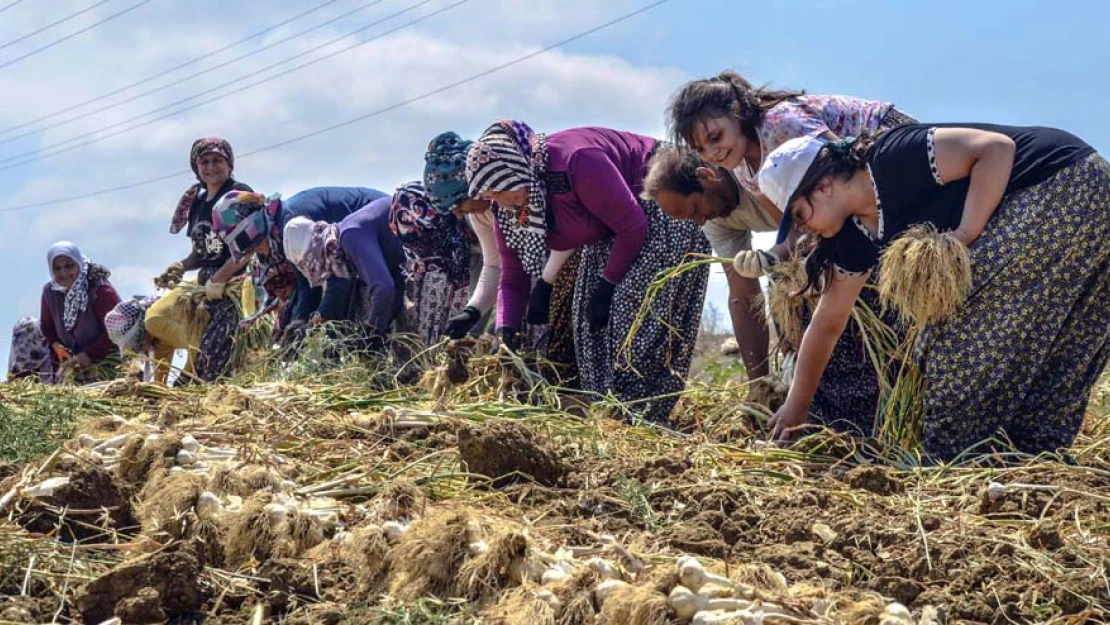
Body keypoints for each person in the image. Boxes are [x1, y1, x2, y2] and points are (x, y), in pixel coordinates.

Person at [757, 123, 1109, 462]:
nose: (802, 228)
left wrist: (965, 235)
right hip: (1085, 201)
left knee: (954, 332)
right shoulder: (854, 236)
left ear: (822, 187)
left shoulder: (892, 159)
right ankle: (1035, 453)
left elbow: (996, 149)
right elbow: (828, 324)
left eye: (800, 215)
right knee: (1068, 335)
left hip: (1065, 181)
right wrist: (797, 407)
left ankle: (953, 455)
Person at [662, 72, 917, 431]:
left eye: (715, 137)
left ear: (738, 113)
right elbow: (798, 222)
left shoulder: (779, 125)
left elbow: (843, 171)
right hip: (845, 198)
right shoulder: (745, 169)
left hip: (881, 153)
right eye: (703, 149)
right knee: (798, 286)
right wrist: (774, 257)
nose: (715, 152)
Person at [467, 120, 709, 422]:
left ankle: (640, 417)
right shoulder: (514, 206)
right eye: (491, 196)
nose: (499, 201)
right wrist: (506, 331)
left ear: (516, 171)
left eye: (500, 190)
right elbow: (512, 276)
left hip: (663, 200)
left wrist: (607, 288)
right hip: (611, 232)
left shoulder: (576, 161)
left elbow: (632, 226)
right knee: (588, 327)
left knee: (633, 318)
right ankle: (610, 414)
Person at [425, 131, 580, 382]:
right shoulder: (481, 215)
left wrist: (546, 283)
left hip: (563, 271)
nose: (457, 214)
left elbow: (569, 235)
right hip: (524, 283)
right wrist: (472, 311)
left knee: (560, 349)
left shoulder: (522, 193)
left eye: (457, 204)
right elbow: (495, 266)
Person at [641, 147, 778, 379]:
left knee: (789, 287)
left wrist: (775, 258)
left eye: (695, 208)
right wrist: (759, 384)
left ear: (706, 176)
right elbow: (743, 295)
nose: (701, 220)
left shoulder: (759, 167)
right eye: (691, 218)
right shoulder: (714, 221)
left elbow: (809, 232)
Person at [213, 186, 388, 343]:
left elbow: (339, 276)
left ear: (255, 223)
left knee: (344, 321)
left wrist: (320, 319)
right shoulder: (280, 233)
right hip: (353, 250)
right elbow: (308, 282)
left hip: (384, 229)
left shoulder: (293, 224)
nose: (256, 249)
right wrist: (300, 321)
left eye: (248, 240)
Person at [147, 137, 256, 383]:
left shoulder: (238, 195)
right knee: (156, 317)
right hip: (205, 284)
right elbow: (201, 251)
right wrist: (180, 266)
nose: (210, 167)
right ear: (196, 167)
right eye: (204, 162)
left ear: (229, 164)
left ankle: (197, 373)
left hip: (234, 286)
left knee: (211, 360)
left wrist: (220, 278)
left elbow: (247, 248)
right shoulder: (198, 200)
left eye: (217, 160)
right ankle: (178, 368)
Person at [282, 190, 407, 347]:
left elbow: (384, 287)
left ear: (315, 250)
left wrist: (372, 333)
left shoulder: (349, 237)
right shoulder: (338, 253)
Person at [39, 242, 121, 383]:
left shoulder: (100, 291)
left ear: (78, 263)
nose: (63, 273)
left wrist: (88, 355)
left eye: (69, 266)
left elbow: (116, 330)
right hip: (72, 363)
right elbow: (47, 327)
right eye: (57, 268)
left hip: (105, 360)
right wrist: (55, 345)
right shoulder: (50, 293)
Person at [7, 317, 55, 383]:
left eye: (35, 339)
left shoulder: (51, 363)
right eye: (21, 342)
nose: (24, 346)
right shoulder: (16, 369)